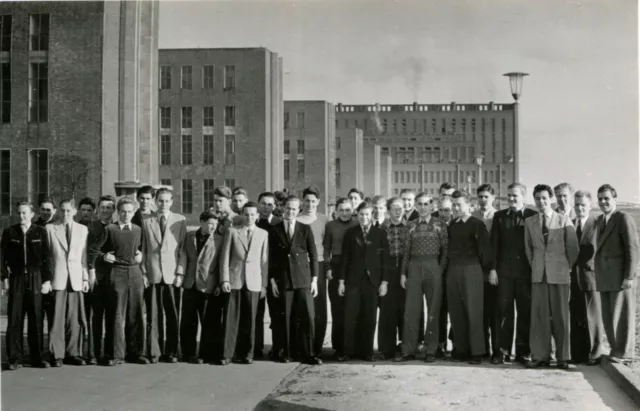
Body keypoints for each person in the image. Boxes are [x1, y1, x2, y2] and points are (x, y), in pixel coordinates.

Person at [524, 184, 579, 370]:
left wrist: (565, 267)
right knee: (539, 317)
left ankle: (563, 357)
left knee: (561, 317)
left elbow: (573, 249)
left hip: (560, 275)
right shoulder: (530, 222)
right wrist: (538, 267)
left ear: (551, 199)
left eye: (544, 198)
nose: (541, 202)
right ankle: (540, 356)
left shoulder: (563, 220)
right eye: (538, 198)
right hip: (539, 275)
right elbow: (528, 250)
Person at [268, 195, 322, 365]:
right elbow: (270, 258)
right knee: (285, 317)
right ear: (282, 209)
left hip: (303, 280)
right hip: (283, 280)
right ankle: (286, 352)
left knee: (307, 317)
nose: (290, 212)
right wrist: (272, 281)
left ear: (298, 210)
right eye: (287, 208)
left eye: (294, 209)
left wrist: (314, 280)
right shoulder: (274, 230)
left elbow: (313, 255)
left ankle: (309, 354)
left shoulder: (305, 229)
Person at [395, 193, 448, 363]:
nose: (423, 207)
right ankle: (408, 350)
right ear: (416, 206)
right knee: (411, 310)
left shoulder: (440, 224)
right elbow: (406, 253)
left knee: (433, 309)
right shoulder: (410, 225)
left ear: (432, 206)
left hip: (433, 265)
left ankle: (431, 349)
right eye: (420, 204)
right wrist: (403, 273)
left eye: (426, 204)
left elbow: (445, 251)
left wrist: (440, 270)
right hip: (414, 267)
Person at [488, 183, 535, 365]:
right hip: (505, 274)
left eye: (515, 196)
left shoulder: (532, 216)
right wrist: (493, 269)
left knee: (525, 312)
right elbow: (494, 245)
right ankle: (502, 351)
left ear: (523, 196)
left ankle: (523, 352)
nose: (512, 199)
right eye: (509, 196)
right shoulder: (500, 217)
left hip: (526, 274)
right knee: (504, 313)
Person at [337, 202, 390, 362]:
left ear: (372, 215)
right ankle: (348, 350)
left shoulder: (380, 233)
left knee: (369, 316)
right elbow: (345, 259)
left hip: (372, 281)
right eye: (361, 214)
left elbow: (385, 259)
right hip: (353, 280)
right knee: (351, 316)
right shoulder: (351, 233)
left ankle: (366, 351)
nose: (364, 217)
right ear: (357, 215)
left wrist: (384, 282)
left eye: (367, 214)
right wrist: (341, 281)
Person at [2, 201, 51, 370]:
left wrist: (47, 280)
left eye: (25, 213)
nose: (21, 216)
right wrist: (5, 279)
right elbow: (2, 258)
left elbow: (47, 257)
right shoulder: (10, 232)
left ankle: (36, 357)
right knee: (15, 318)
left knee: (36, 318)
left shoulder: (40, 231)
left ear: (32, 214)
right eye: (19, 213)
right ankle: (15, 358)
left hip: (35, 277)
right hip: (16, 278)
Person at [97, 197, 146, 366]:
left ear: (134, 213)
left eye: (129, 211)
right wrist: (104, 256)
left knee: (136, 313)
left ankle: (136, 352)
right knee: (117, 314)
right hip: (117, 273)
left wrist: (141, 254)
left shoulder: (138, 229)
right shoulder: (110, 229)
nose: (126, 214)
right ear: (118, 212)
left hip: (135, 274)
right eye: (123, 211)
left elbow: (142, 248)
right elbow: (94, 250)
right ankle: (115, 354)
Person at [140, 188, 187, 364]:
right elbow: (144, 248)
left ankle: (172, 351)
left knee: (172, 315)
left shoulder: (180, 220)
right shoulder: (146, 220)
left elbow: (182, 249)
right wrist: (144, 272)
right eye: (160, 200)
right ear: (155, 201)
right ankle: (154, 351)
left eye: (167, 201)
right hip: (153, 273)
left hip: (172, 275)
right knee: (154, 315)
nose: (163, 204)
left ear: (172, 202)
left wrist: (180, 273)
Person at [219, 202, 269, 365]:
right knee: (231, 318)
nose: (250, 217)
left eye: (253, 214)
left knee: (250, 320)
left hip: (253, 282)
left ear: (257, 215)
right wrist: (225, 279)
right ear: (242, 215)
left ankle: (247, 354)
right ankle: (227, 354)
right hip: (235, 280)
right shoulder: (233, 232)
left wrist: (263, 285)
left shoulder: (263, 234)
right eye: (246, 214)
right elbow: (225, 257)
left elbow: (264, 262)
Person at [594, 184, 639, 363]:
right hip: (605, 276)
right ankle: (615, 350)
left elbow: (632, 249)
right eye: (601, 199)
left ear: (615, 200)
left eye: (607, 198)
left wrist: (629, 276)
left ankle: (625, 352)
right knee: (609, 316)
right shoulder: (601, 220)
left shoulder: (623, 218)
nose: (603, 202)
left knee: (622, 316)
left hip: (620, 276)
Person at [447, 189, 492, 364]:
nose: (456, 208)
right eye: (454, 204)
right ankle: (461, 349)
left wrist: (486, 270)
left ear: (469, 205)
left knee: (473, 310)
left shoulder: (476, 224)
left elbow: (485, 251)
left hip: (472, 268)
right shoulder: (453, 224)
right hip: (453, 269)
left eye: (459, 204)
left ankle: (477, 351)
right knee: (456, 311)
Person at [45, 199, 90, 367]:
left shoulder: (83, 230)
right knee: (57, 318)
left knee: (74, 318)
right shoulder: (50, 229)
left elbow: (83, 257)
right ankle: (57, 354)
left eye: (68, 211)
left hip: (76, 279)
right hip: (58, 278)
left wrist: (85, 278)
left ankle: (74, 353)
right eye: (62, 211)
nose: (65, 214)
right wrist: (48, 279)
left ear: (75, 211)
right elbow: (48, 257)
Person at [180, 211, 222, 364]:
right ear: (202, 222)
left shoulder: (219, 239)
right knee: (188, 320)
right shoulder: (190, 236)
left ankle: (206, 354)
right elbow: (183, 255)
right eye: (210, 223)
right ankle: (187, 353)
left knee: (208, 321)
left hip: (208, 284)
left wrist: (218, 283)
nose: (212, 227)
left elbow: (220, 264)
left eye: (215, 224)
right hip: (190, 283)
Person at [571, 190, 605, 365]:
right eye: (577, 204)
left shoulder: (596, 223)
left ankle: (595, 352)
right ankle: (578, 353)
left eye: (583, 204)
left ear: (590, 205)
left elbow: (594, 250)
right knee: (577, 314)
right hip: (573, 277)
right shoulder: (572, 223)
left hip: (590, 275)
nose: (579, 208)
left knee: (592, 314)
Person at [297, 187, 331, 357]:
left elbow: (328, 246)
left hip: (319, 265)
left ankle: (317, 346)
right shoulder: (296, 219)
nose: (309, 204)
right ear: (302, 201)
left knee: (319, 307)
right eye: (307, 200)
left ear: (318, 202)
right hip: (300, 267)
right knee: (302, 306)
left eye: (313, 201)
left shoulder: (325, 220)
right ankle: (302, 345)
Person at [323, 197, 358, 359]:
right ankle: (338, 347)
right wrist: (328, 267)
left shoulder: (357, 224)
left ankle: (352, 346)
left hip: (353, 267)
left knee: (352, 308)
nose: (345, 213)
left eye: (348, 210)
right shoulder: (330, 226)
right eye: (341, 210)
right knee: (337, 309)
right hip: (336, 266)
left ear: (352, 210)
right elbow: (326, 248)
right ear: (336, 211)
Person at [86, 195, 118, 365]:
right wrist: (101, 258)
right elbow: (88, 251)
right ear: (98, 209)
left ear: (114, 210)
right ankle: (93, 353)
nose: (106, 210)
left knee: (112, 316)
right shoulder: (91, 227)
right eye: (103, 207)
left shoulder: (117, 228)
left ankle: (109, 353)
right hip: (96, 277)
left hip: (113, 277)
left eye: (109, 207)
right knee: (96, 316)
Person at [378, 197, 410, 360]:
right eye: (394, 208)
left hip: (406, 270)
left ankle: (406, 346)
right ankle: (386, 348)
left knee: (405, 309)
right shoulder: (381, 228)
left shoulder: (410, 227)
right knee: (387, 310)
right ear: (388, 210)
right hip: (388, 270)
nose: (398, 212)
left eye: (401, 208)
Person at [472, 184, 499, 362]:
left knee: (494, 313)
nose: (483, 200)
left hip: (493, 272)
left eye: (486, 197)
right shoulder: (472, 217)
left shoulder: (498, 217)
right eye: (480, 197)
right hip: (475, 272)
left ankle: (497, 351)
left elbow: (499, 247)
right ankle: (482, 349)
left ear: (493, 198)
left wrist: (493, 269)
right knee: (478, 313)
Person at [430, 182, 456, 357]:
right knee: (438, 309)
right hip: (437, 270)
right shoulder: (432, 219)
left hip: (454, 271)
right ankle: (439, 344)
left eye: (450, 195)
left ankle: (456, 343)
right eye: (443, 195)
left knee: (455, 308)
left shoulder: (459, 219)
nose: (446, 198)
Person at [256, 192, 282, 359]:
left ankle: (277, 347)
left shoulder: (279, 224)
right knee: (257, 313)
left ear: (274, 206)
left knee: (276, 313)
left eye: (270, 204)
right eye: (263, 203)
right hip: (256, 274)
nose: (266, 207)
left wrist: (274, 278)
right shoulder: (253, 221)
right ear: (258, 204)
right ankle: (256, 347)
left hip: (274, 276)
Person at [36, 197, 57, 351]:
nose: (45, 212)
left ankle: (52, 351)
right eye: (43, 209)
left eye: (48, 209)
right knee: (37, 317)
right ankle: (37, 352)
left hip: (55, 279)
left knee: (53, 318)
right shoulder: (34, 227)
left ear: (54, 211)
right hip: (37, 278)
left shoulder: (57, 227)